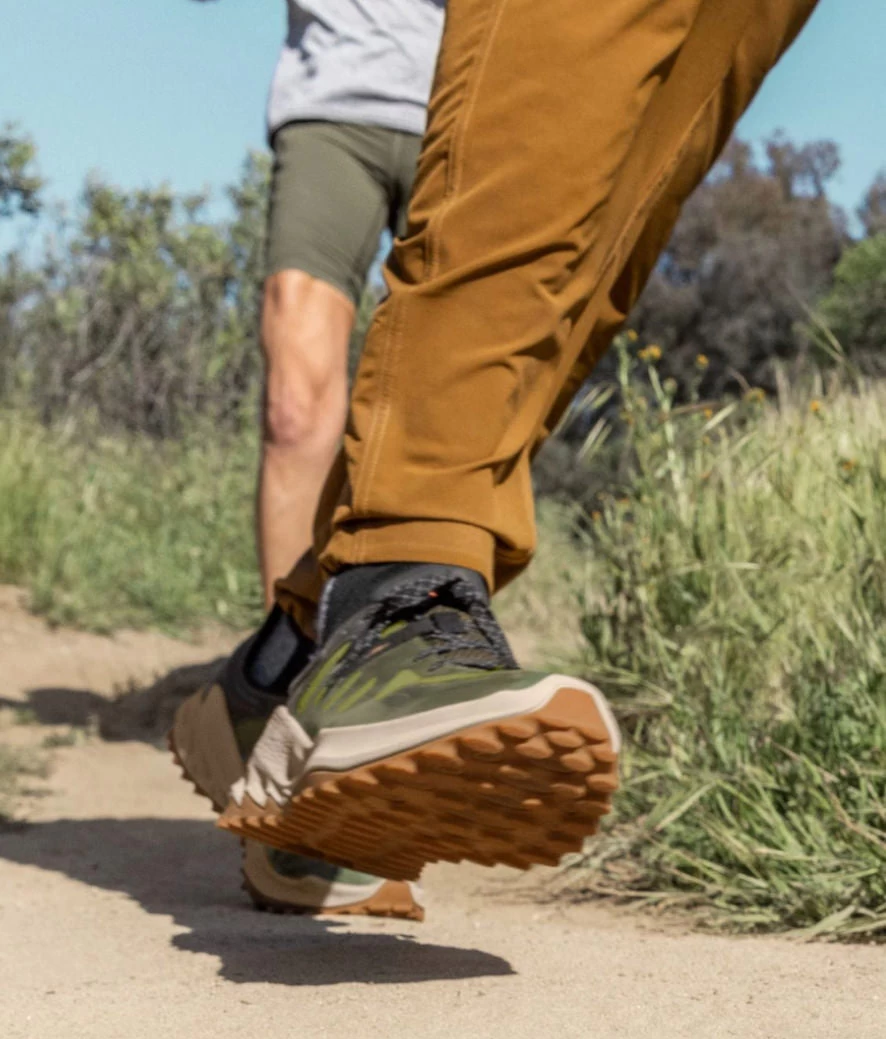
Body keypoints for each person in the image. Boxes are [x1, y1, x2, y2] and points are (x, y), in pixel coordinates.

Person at [176, 0, 822, 884]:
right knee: (558, 104)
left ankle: (292, 655)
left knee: (610, 224)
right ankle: (395, 589)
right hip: (344, 101)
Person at [173, 0, 446, 919]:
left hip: (476, 105)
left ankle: (386, 749)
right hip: (339, 98)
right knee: (297, 404)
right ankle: (279, 714)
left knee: (445, 422)